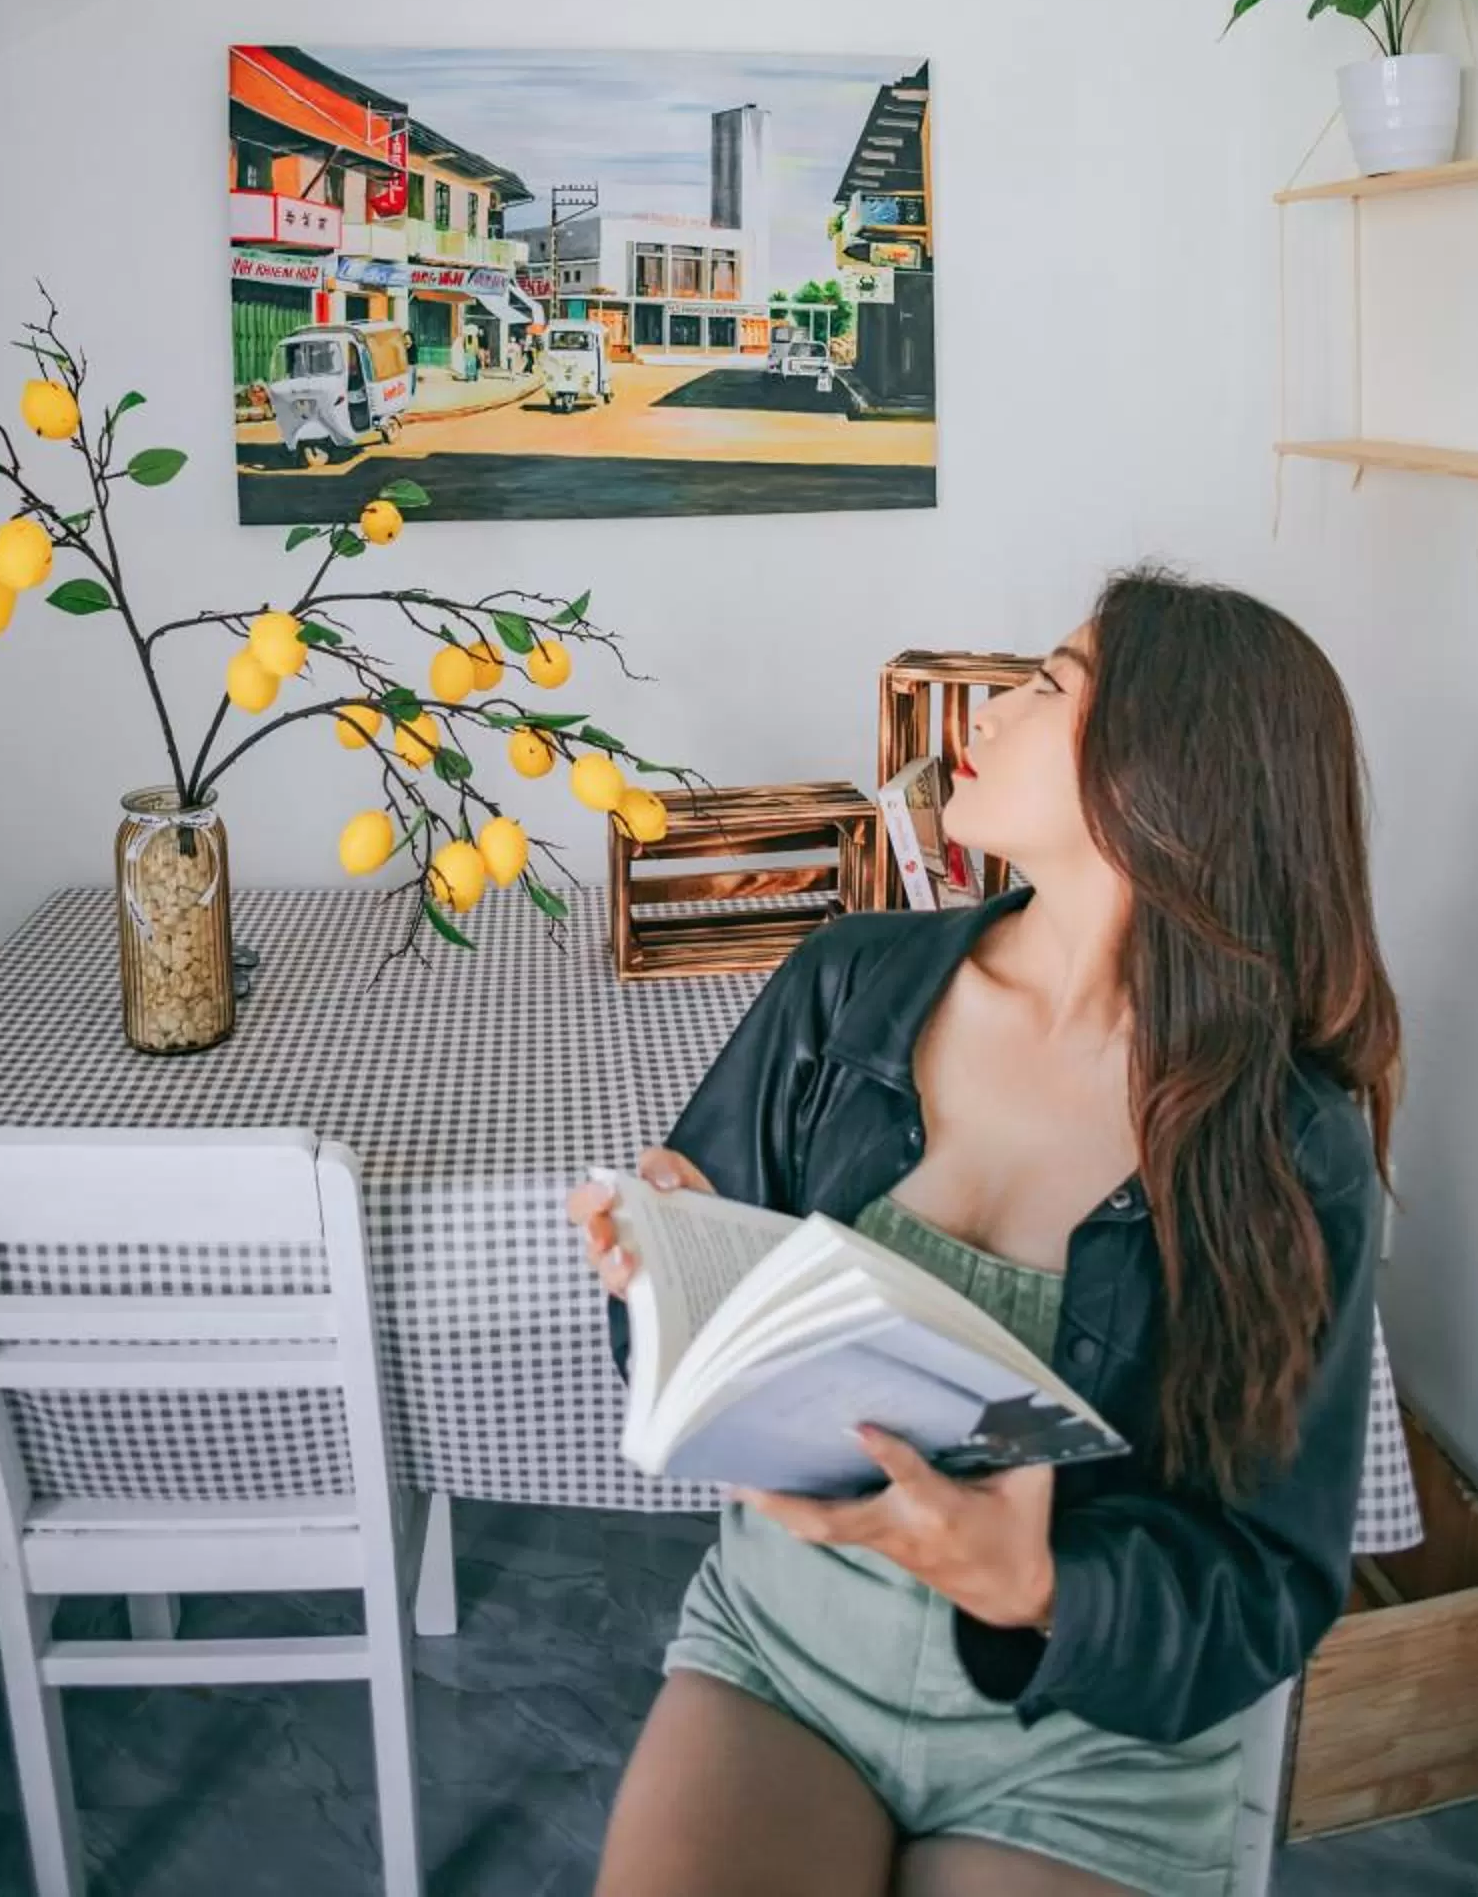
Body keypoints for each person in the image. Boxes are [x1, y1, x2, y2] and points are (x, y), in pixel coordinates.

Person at [568, 567, 1400, 1897]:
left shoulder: (1291, 1147)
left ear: (1163, 777)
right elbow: (683, 1357)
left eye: (1049, 686)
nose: (992, 711)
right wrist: (655, 1279)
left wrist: (1044, 1587)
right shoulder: (847, 984)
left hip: (1087, 1749)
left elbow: (1266, 1584)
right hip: (785, 1657)